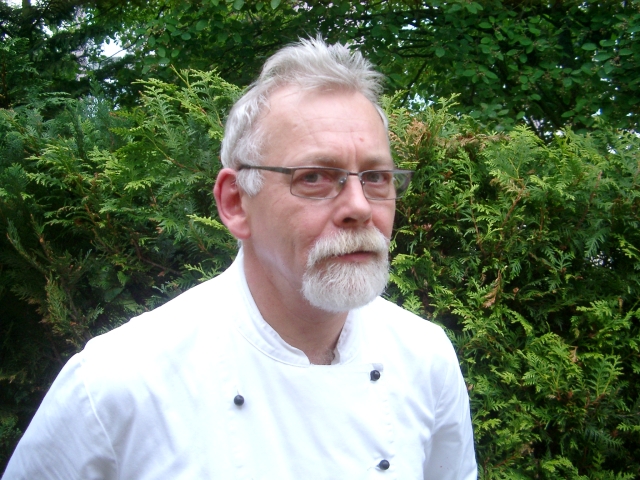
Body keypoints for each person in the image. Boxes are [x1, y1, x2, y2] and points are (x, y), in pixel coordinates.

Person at [3, 38, 477, 479]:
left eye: (375, 177)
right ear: (235, 202)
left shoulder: (425, 358)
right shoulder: (117, 383)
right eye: (314, 177)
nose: (359, 206)